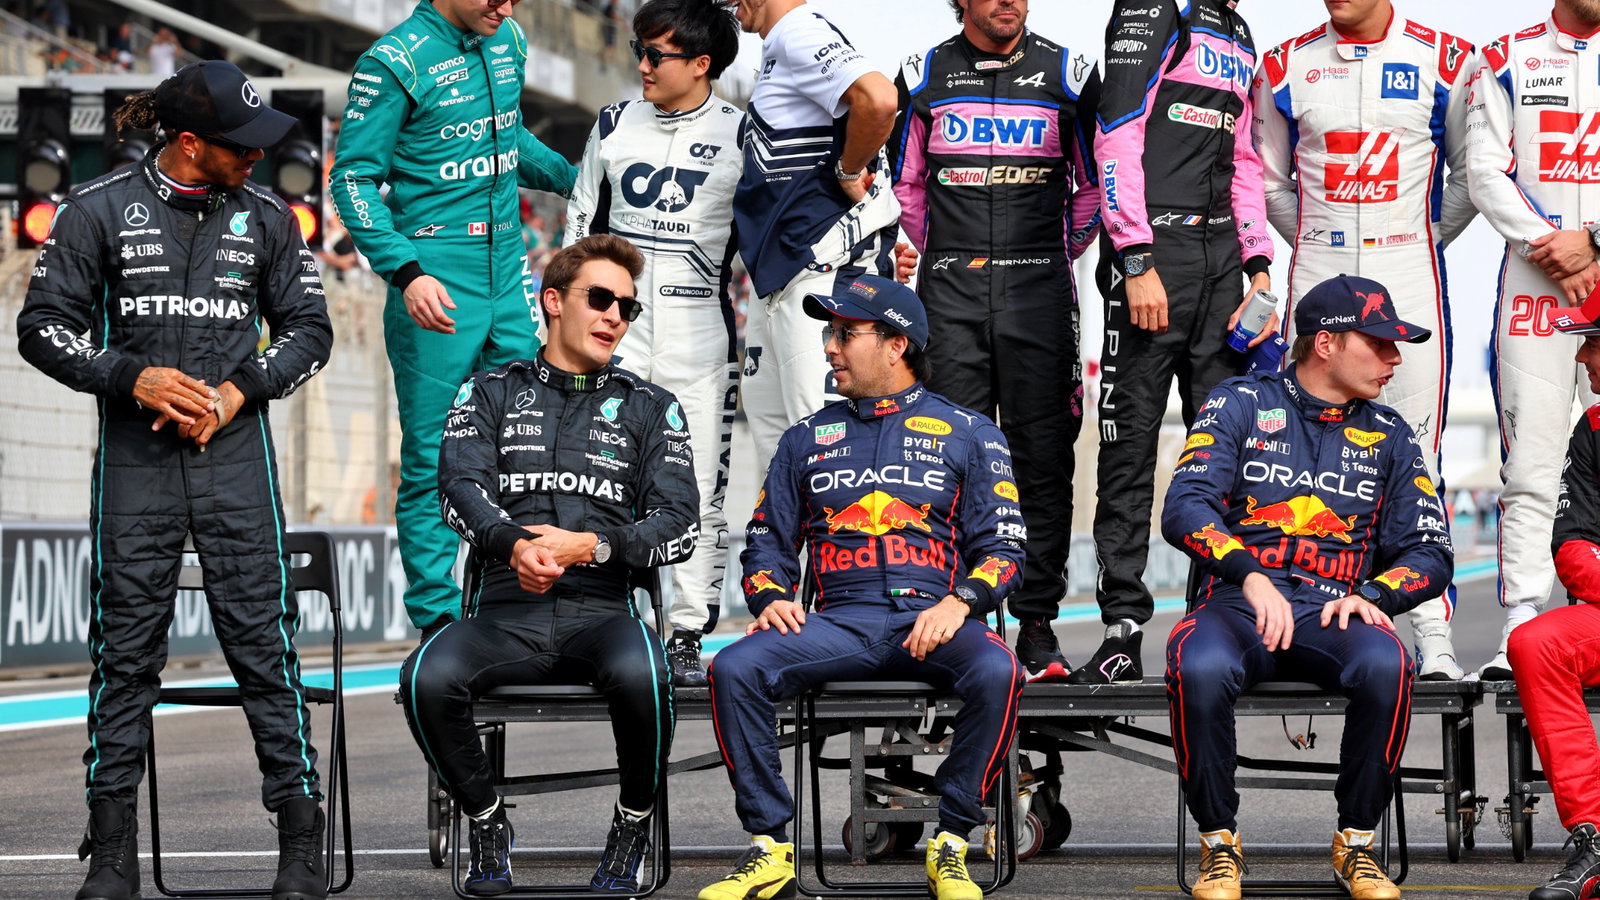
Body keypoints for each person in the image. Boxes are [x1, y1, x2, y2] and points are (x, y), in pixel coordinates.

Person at [15, 61, 333, 900]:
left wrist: (238, 391)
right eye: (243, 147)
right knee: (125, 658)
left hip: (235, 457)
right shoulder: (95, 209)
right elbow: (42, 328)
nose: (260, 160)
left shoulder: (268, 219)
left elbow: (309, 331)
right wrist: (133, 378)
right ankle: (110, 845)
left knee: (264, 649)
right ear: (191, 143)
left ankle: (302, 836)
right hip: (135, 459)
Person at [700, 276, 1026, 900]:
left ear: (897, 344)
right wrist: (770, 596)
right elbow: (767, 538)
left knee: (999, 672)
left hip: (936, 621)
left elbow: (1006, 549)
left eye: (846, 334)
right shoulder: (805, 437)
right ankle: (769, 849)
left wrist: (961, 603)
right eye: (830, 333)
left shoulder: (971, 432)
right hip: (838, 624)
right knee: (734, 668)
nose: (829, 348)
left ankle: (952, 844)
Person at [400, 235, 700, 897]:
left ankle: (632, 825)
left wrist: (586, 548)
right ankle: (484, 821)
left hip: (603, 608)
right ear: (554, 301)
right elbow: (457, 488)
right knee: (424, 676)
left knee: (647, 673)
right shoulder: (487, 390)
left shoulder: (654, 406)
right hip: (505, 609)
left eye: (627, 306)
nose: (615, 316)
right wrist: (512, 543)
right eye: (601, 299)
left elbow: (679, 523)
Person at [1161, 275, 1453, 900]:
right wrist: (1249, 573)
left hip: (1335, 610)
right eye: (1379, 344)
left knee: (1389, 663)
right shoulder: (1239, 401)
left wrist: (1373, 596)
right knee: (1198, 667)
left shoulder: (1392, 433)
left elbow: (1432, 550)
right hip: (1237, 605)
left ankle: (1357, 843)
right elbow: (1186, 507)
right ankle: (1219, 844)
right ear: (1325, 343)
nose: (1394, 359)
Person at [331, 0, 579, 640]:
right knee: (432, 459)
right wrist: (406, 271)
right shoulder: (394, 61)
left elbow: (509, 139)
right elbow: (353, 179)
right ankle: (438, 624)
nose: (505, 7)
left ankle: (516, 598)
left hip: (509, 271)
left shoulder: (510, 40)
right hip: (436, 274)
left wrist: (579, 184)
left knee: (529, 447)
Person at [1252, 0, 1476, 680]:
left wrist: (1419, 242)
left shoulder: (1448, 58)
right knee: (1296, 447)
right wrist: (1321, 251)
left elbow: (1468, 177)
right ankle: (1293, 614)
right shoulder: (1283, 64)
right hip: (1319, 262)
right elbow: (1269, 181)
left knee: (1418, 451)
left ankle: (1432, 634)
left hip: (1407, 261)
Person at [886, 0, 1099, 682]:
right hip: (948, 292)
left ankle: (1036, 624)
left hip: (1039, 288)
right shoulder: (920, 75)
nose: (1010, 1)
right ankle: (959, 619)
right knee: (944, 457)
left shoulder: (1071, 72)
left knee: (1042, 459)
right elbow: (906, 186)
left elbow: (1094, 189)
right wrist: (940, 253)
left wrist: (1051, 256)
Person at [1087, 0, 1277, 686]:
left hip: (1224, 256)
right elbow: (1114, 134)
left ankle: (1214, 614)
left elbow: (1247, 159)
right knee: (1129, 444)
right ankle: (1122, 627)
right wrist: (1135, 258)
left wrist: (1258, 262)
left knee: (1226, 448)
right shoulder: (1152, 7)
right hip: (1155, 249)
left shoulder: (1240, 30)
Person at [565, 0, 744, 687]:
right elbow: (581, 221)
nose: (641, 65)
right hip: (621, 325)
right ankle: (601, 615)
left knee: (695, 482)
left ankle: (686, 631)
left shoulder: (740, 132)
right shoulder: (613, 123)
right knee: (599, 469)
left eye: (656, 55)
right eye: (639, 51)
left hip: (701, 330)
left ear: (700, 64)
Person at [1462, 0, 1600, 679]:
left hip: (1589, 259)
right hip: (1534, 282)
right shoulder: (1505, 56)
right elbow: (1485, 172)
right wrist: (1554, 249)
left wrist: (1593, 244)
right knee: (1532, 469)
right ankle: (1519, 630)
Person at [729, 0, 902, 480]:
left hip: (820, 277)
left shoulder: (796, 30)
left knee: (831, 465)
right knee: (779, 467)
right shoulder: (777, 46)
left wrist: (849, 169)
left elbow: (879, 99)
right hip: (781, 282)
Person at [1506, 300, 1600, 900]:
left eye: (1594, 342)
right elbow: (1573, 546)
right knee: (1534, 642)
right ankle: (1594, 839)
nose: (1583, 356)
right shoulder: (1592, 428)